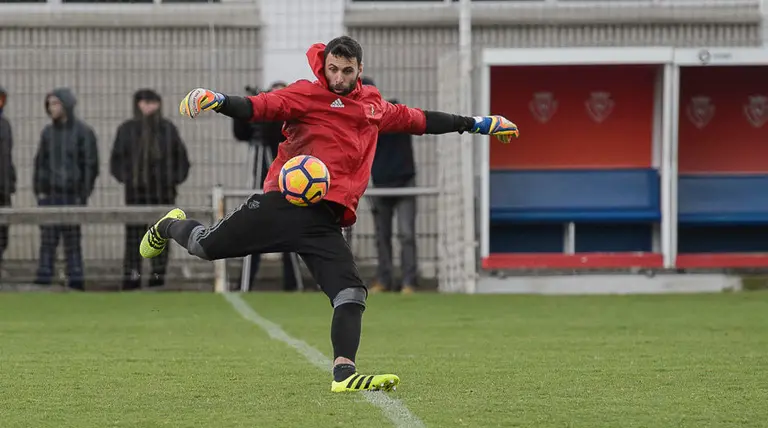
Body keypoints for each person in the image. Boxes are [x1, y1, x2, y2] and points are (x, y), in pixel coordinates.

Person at [139, 36, 518, 392]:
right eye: (333, 69)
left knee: (350, 293)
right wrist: (216, 99)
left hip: (324, 222)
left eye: (346, 71)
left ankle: (344, 373)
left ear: (359, 69)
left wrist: (479, 123)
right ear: (325, 65)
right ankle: (171, 223)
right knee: (205, 247)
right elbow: (259, 107)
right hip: (281, 207)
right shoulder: (306, 94)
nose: (337, 77)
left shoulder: (373, 106)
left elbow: (421, 120)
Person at [110, 89, 191, 290]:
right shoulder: (127, 130)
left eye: (152, 102)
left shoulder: (167, 129)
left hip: (163, 194)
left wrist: (171, 180)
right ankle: (131, 280)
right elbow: (116, 160)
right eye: (144, 102)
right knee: (133, 239)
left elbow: (182, 160)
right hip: (135, 194)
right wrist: (129, 179)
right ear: (137, 104)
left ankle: (157, 280)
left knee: (161, 238)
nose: (148, 107)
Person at [232, 81, 298, 292]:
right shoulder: (261, 117)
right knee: (254, 232)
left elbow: (278, 134)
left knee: (290, 232)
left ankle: (293, 284)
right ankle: (245, 284)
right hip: (260, 180)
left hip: (287, 182)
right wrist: (244, 109)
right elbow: (241, 133)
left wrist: (269, 112)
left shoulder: (292, 118)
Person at [33, 88, 99, 290]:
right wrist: (40, 191)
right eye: (49, 104)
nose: (51, 108)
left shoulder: (83, 132)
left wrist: (83, 194)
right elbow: (40, 163)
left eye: (55, 104)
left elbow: (90, 165)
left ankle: (76, 282)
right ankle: (43, 282)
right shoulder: (47, 133)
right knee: (48, 242)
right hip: (50, 195)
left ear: (66, 105)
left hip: (72, 196)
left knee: (72, 243)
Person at [361, 77, 418, 294]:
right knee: (381, 235)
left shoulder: (393, 113)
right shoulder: (360, 124)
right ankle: (384, 280)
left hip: (405, 182)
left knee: (406, 234)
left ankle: (409, 282)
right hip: (380, 184)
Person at [0, 86, 16, 276]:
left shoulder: (5, 125)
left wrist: (10, 180)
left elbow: (6, 157)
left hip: (2, 187)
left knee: (3, 230)